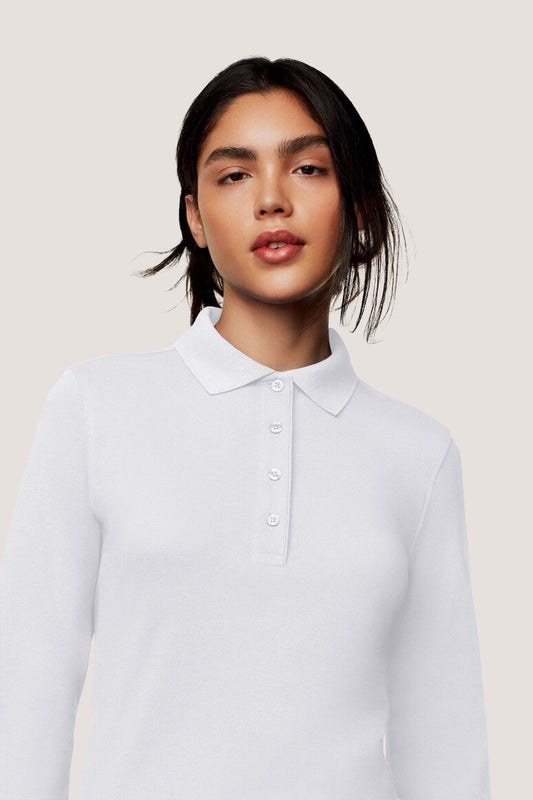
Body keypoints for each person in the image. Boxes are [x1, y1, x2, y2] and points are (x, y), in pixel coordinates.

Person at [0, 56, 491, 799]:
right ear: (195, 217)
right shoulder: (96, 407)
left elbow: (443, 739)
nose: (271, 200)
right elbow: (27, 683)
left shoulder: (418, 453)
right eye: (234, 175)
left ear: (358, 204)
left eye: (308, 169)